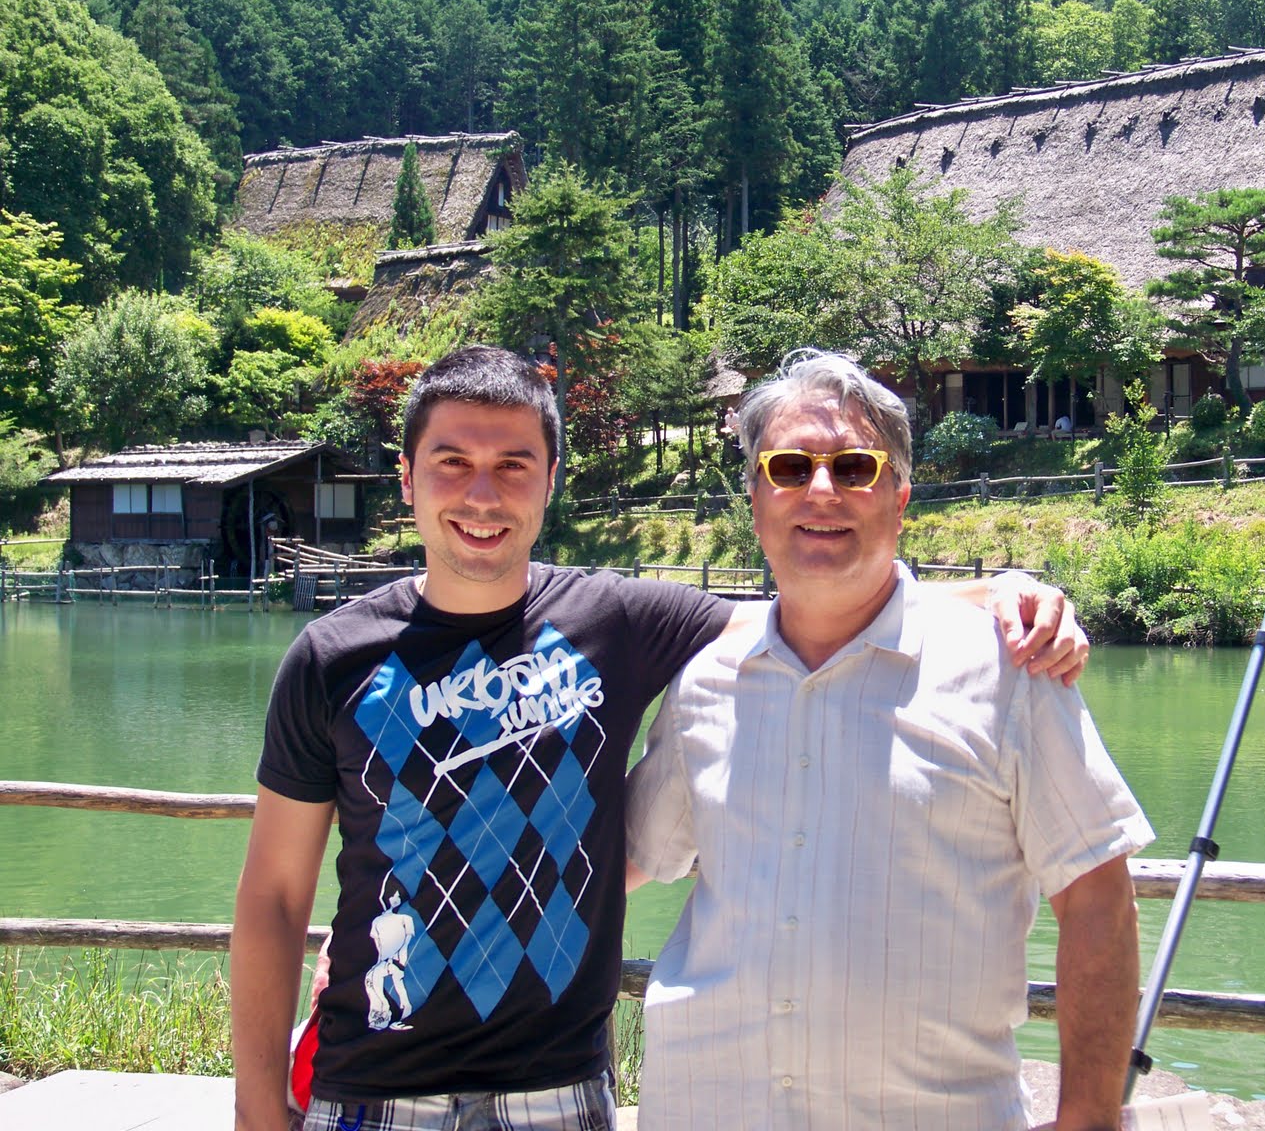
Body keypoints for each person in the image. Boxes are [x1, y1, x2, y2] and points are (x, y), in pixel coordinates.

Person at [232, 345, 1089, 1131]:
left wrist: (1005, 591)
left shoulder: (614, 621)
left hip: (557, 1089)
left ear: (551, 478)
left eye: (513, 465)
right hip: (372, 1084)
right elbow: (273, 895)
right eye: (452, 462)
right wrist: (255, 1108)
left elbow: (818, 598)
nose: (482, 496)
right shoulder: (332, 658)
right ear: (407, 477)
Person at [627, 351, 1153, 1131]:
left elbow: (1098, 898)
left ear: (900, 498)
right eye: (790, 467)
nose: (821, 490)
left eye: (854, 467)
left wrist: (1089, 1118)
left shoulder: (1010, 672)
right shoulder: (703, 679)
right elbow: (626, 860)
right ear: (755, 499)